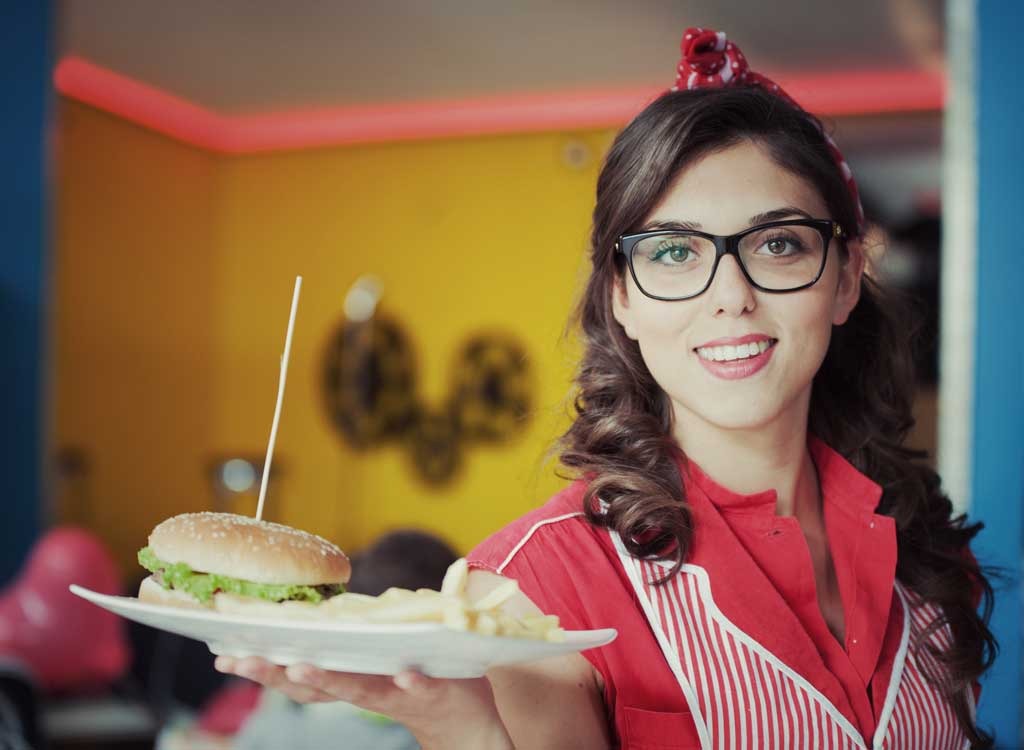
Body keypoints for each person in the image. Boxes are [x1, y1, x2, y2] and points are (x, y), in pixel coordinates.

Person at [213, 27, 997, 749]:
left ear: (846, 278)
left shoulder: (922, 551)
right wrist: (469, 733)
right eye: (673, 253)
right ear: (620, 296)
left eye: (779, 243)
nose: (730, 295)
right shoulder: (534, 592)